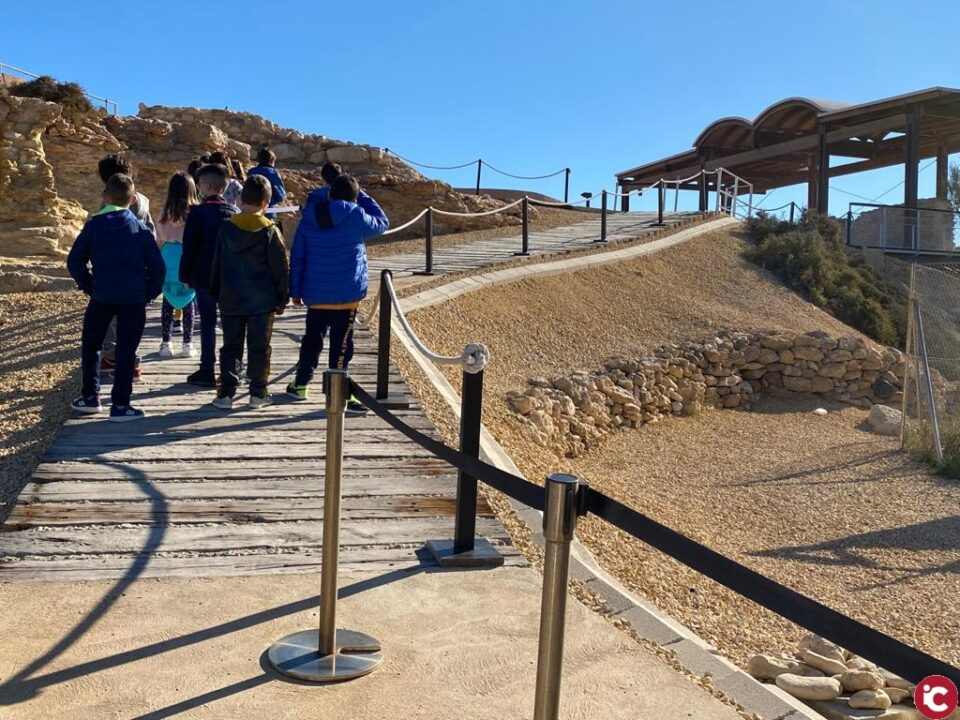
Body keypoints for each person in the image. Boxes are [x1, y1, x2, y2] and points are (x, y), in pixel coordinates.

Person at [287, 174, 388, 413]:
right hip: (347, 295)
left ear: (329, 194)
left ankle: (301, 383)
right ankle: (340, 390)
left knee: (312, 340)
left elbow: (298, 257)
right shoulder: (357, 215)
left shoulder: (308, 217)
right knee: (342, 344)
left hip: (316, 293)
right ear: (355, 197)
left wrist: (295, 290)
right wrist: (361, 195)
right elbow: (382, 222)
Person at [67, 173, 164, 422]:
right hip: (133, 298)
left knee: (92, 344)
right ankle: (120, 405)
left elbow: (75, 260)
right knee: (126, 349)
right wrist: (147, 294)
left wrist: (89, 285)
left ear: (105, 196)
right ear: (132, 200)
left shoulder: (93, 226)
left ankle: (90, 397)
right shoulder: (141, 229)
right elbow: (158, 268)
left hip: (102, 296)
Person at [209, 175, 289, 409]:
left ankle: (225, 394)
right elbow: (280, 269)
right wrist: (282, 297)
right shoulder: (270, 231)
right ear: (266, 203)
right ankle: (258, 393)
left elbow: (217, 263)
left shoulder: (227, 227)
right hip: (262, 302)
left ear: (242, 199)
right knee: (259, 347)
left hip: (231, 298)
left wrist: (215, 291)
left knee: (230, 346)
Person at [179, 163, 239, 386]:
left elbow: (190, 246)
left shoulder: (197, 213)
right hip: (229, 278)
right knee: (231, 323)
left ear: (206, 185)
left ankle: (207, 368)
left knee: (207, 322)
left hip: (204, 277)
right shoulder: (234, 213)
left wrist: (185, 275)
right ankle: (231, 369)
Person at [96, 154, 155, 380]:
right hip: (138, 270)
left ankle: (112, 359)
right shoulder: (144, 200)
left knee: (111, 320)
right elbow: (151, 232)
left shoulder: (108, 204)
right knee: (132, 320)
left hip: (112, 271)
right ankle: (132, 362)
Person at [156, 171, 199, 358]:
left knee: (168, 299)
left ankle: (166, 343)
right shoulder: (195, 214)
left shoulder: (164, 214)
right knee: (189, 301)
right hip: (187, 258)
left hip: (167, 258)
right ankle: (187, 344)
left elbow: (159, 238)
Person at [247, 147, 287, 221]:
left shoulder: (251, 172)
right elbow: (281, 196)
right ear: (272, 161)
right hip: (268, 212)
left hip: (250, 210)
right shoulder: (273, 173)